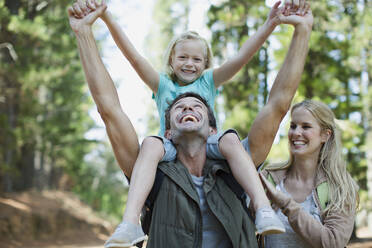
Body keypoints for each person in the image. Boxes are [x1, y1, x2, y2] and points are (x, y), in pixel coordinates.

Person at [67, 0, 313, 246]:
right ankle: (129, 224)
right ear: (168, 130)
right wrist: (84, 33)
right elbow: (109, 108)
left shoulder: (237, 163)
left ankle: (263, 210)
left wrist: (301, 30)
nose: (187, 106)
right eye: (178, 107)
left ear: (212, 128)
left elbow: (278, 104)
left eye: (198, 107)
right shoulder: (151, 171)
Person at [259, 100, 359, 248]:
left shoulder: (340, 186)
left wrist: (286, 204)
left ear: (325, 135)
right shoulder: (269, 177)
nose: (296, 133)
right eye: (293, 126)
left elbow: (332, 242)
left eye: (306, 126)